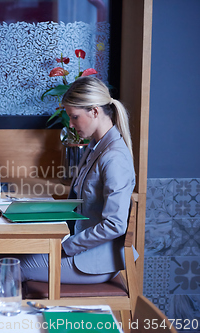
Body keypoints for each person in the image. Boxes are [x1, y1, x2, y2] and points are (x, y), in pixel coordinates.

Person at [17, 76, 136, 284]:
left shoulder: (114, 157)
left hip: (95, 260)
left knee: (10, 267)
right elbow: (81, 203)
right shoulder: (95, 147)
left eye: (74, 117)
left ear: (95, 111)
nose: (71, 125)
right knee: (7, 254)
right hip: (82, 249)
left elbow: (115, 225)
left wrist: (66, 246)